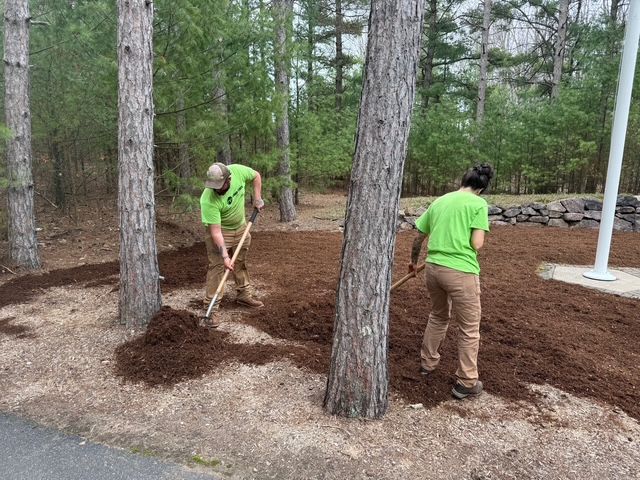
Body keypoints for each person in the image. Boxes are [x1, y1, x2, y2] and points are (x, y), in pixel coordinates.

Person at [409, 164, 493, 399]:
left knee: (438, 315)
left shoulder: (440, 201)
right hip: (461, 272)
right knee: (469, 328)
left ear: (463, 181)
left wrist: (413, 263)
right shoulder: (478, 204)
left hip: (433, 269)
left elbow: (419, 236)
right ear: (482, 188)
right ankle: (466, 381)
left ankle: (427, 364)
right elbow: (477, 244)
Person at [200, 162, 265, 318]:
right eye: (214, 187)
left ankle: (243, 295)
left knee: (240, 262)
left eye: (220, 186)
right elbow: (215, 232)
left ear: (229, 179)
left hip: (241, 228)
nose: (217, 190)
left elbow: (256, 175)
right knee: (217, 267)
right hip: (221, 232)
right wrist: (225, 256)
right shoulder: (207, 199)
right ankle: (211, 307)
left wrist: (257, 198)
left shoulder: (238, 171)